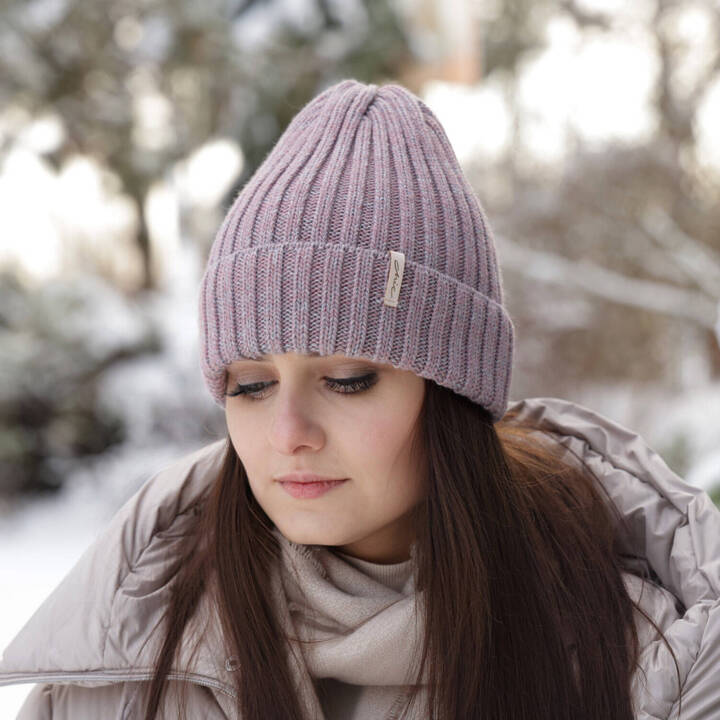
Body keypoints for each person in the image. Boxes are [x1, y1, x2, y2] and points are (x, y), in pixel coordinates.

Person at [1, 79, 719, 720]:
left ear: (449, 391)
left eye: (346, 380)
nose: (288, 433)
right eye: (250, 385)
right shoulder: (123, 668)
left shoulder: (639, 658)